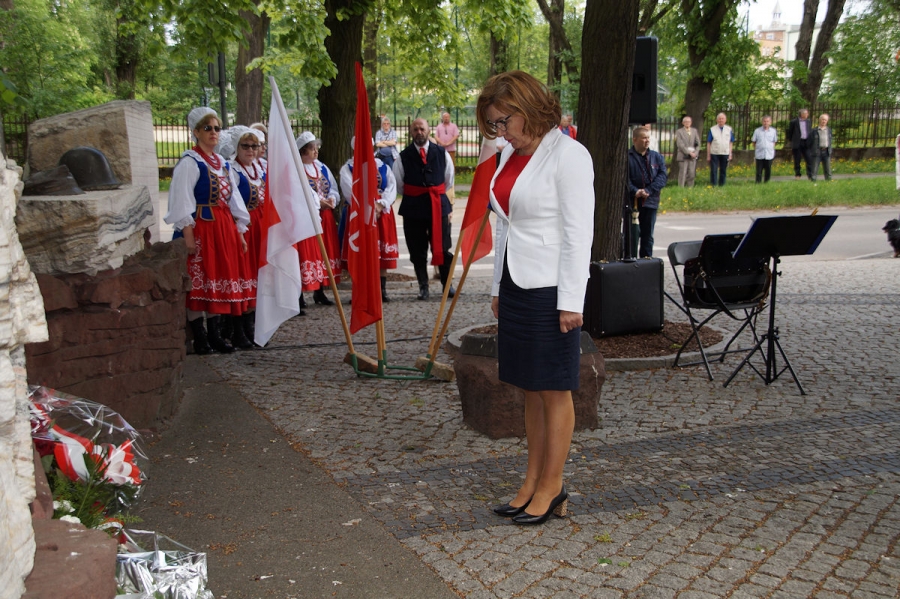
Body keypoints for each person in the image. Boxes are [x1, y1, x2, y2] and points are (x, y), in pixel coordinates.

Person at [477, 70, 594, 526]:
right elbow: (504, 225)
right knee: (529, 387)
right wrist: (497, 287)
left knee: (553, 389)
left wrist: (572, 300)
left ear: (527, 108)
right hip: (516, 284)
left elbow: (578, 234)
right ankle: (531, 481)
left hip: (551, 289)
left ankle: (553, 485)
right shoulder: (510, 155)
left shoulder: (569, 155)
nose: (499, 132)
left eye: (503, 121)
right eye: (493, 124)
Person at [164, 107, 252, 355]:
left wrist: (239, 231)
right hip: (200, 228)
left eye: (216, 128)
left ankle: (215, 335)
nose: (213, 132)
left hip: (222, 228)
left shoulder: (222, 163)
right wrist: (188, 237)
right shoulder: (190, 162)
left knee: (216, 279)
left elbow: (233, 199)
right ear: (196, 132)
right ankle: (200, 337)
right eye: (207, 128)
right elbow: (182, 201)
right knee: (199, 282)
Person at [393, 118, 455, 301]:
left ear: (428, 130)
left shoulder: (441, 153)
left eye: (422, 129)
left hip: (438, 206)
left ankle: (447, 284)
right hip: (414, 208)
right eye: (415, 129)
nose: (419, 132)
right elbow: (399, 183)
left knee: (443, 247)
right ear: (411, 132)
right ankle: (423, 286)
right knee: (417, 250)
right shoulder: (403, 157)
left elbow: (448, 179)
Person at [218, 125, 267, 348]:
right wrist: (240, 229)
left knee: (258, 275)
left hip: (261, 227)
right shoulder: (233, 170)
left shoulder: (260, 168)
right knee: (243, 276)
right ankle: (238, 328)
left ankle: (252, 325)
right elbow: (231, 203)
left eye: (254, 146)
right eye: (245, 146)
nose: (250, 150)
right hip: (245, 227)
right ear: (236, 147)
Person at [339, 137, 399, 302]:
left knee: (381, 252)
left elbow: (391, 187)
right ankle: (359, 290)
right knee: (359, 251)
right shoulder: (348, 168)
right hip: (358, 214)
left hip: (381, 212)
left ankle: (381, 290)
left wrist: (381, 204)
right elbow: (350, 191)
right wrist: (368, 208)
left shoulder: (383, 166)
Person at [296, 131, 340, 307]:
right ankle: (298, 295)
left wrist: (332, 199)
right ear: (303, 151)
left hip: (325, 216)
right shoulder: (297, 169)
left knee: (324, 252)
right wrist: (317, 203)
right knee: (306, 253)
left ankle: (320, 291)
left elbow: (333, 187)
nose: (316, 151)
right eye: (311, 148)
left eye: (316, 148)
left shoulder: (321, 167)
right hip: (307, 217)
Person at [627, 126, 667, 258]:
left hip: (650, 201)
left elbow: (662, 176)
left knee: (648, 236)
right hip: (632, 202)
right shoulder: (627, 157)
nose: (647, 140)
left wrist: (648, 190)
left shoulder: (656, 157)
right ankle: (631, 260)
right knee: (632, 235)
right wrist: (635, 191)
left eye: (648, 138)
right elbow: (624, 178)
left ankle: (646, 261)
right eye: (644, 138)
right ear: (635, 139)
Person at [706, 112, 734, 186]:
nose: (721, 120)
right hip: (714, 152)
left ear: (725, 120)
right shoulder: (712, 129)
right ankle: (713, 184)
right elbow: (709, 142)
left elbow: (731, 142)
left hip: (725, 152)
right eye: (719, 119)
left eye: (722, 119)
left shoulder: (729, 129)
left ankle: (722, 184)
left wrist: (730, 153)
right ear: (717, 120)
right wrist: (708, 155)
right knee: (713, 170)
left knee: (723, 170)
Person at [674, 116, 700, 187]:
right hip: (683, 155)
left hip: (693, 156)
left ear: (691, 123)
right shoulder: (679, 131)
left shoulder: (694, 131)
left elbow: (698, 143)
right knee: (683, 173)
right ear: (683, 123)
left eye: (689, 122)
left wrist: (695, 153)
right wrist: (689, 152)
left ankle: (690, 188)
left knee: (691, 173)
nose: (687, 123)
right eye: (685, 122)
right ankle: (681, 188)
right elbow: (680, 144)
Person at [751, 115, 778, 184]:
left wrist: (770, 147)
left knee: (768, 170)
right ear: (762, 122)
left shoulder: (773, 131)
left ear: (770, 122)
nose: (766, 123)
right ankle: (758, 183)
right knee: (759, 171)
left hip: (769, 154)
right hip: (759, 154)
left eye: (767, 121)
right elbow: (754, 142)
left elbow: (774, 141)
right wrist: (758, 148)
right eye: (764, 121)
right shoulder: (757, 131)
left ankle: (767, 183)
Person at [787, 108, 813, 180]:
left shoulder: (809, 121)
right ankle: (797, 174)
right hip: (797, 142)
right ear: (801, 114)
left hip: (806, 142)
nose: (807, 115)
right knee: (797, 159)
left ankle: (810, 174)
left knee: (809, 159)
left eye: (807, 113)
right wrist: (792, 141)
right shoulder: (794, 122)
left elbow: (810, 131)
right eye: (806, 113)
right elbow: (790, 132)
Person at [810, 113, 834, 183]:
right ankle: (813, 181)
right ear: (819, 120)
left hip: (826, 151)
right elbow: (809, 142)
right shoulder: (814, 131)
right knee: (814, 168)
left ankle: (828, 181)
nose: (824, 121)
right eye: (823, 119)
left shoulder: (829, 130)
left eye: (825, 120)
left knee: (828, 168)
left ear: (827, 121)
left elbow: (830, 141)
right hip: (817, 151)